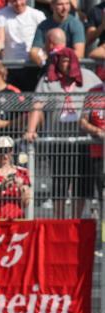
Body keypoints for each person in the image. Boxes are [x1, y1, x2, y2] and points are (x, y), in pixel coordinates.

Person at [25, 47, 101, 218]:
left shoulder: (89, 77)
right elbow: (37, 105)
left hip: (84, 140)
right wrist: (31, 130)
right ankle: (60, 221)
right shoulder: (48, 79)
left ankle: (75, 219)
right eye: (60, 60)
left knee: (82, 182)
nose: (63, 64)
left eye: (66, 60)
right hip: (58, 139)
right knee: (60, 181)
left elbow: (100, 97)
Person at [0, 0, 46, 91]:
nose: (18, 3)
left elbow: (44, 39)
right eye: (14, 1)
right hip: (11, 66)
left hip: (31, 66)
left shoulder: (37, 15)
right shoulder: (2, 14)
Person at [0, 136, 31, 219]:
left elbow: (26, 203)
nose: (5, 155)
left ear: (12, 151)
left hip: (16, 219)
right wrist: (0, 188)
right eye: (1, 151)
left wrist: (21, 188)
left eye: (7, 151)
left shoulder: (22, 172)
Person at [30, 0, 85, 67]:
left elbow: (79, 53)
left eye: (67, 4)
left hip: (71, 68)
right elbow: (34, 51)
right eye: (60, 4)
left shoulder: (76, 24)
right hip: (50, 68)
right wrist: (43, 62)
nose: (64, 8)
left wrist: (56, 59)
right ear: (52, 6)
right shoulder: (43, 25)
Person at [80, 82, 105, 209]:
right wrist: (97, 131)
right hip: (98, 152)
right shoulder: (93, 92)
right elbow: (83, 122)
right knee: (102, 191)